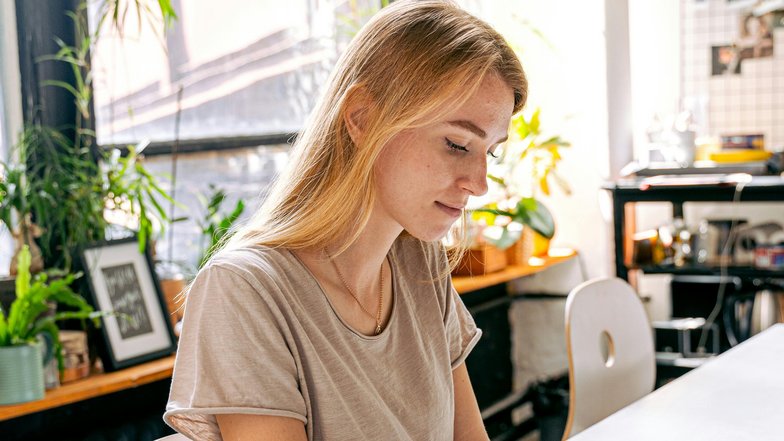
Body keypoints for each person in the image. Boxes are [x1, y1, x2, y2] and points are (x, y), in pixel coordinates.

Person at [164, 1, 527, 439]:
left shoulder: (420, 262)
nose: (479, 182)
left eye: (490, 151)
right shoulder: (245, 291)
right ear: (362, 118)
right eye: (456, 143)